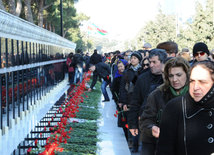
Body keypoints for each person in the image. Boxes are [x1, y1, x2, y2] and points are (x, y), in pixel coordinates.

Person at [156, 60, 214, 155]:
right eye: (192, 81)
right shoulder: (175, 107)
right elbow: (164, 149)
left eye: (202, 82)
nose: (195, 87)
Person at [140, 57, 190, 154]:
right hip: (163, 148)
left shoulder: (195, 94)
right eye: (171, 76)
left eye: (179, 75)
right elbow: (145, 120)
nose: (174, 79)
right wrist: (152, 128)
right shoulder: (157, 95)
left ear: (187, 74)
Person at [127, 49, 167, 154]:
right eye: (150, 62)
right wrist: (132, 124)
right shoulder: (142, 78)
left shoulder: (170, 79)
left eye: (154, 62)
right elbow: (135, 101)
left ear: (163, 63)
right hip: (146, 124)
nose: (151, 65)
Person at [119, 51, 144, 152]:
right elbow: (123, 88)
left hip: (141, 100)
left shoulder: (143, 71)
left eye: (134, 58)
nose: (132, 60)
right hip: (130, 100)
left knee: (140, 123)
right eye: (131, 58)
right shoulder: (127, 72)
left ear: (139, 59)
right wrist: (123, 102)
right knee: (131, 121)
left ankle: (138, 143)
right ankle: (132, 142)